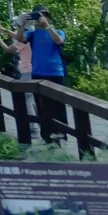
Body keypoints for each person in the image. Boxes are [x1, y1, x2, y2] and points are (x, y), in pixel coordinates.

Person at [25, 8, 67, 142]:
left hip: (56, 72)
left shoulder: (58, 31)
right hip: (38, 72)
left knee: (58, 104)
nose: (42, 18)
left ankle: (61, 133)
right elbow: (20, 39)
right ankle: (46, 135)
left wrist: (48, 27)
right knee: (42, 105)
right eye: (38, 16)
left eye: (44, 15)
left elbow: (59, 41)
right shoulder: (32, 33)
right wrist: (23, 23)